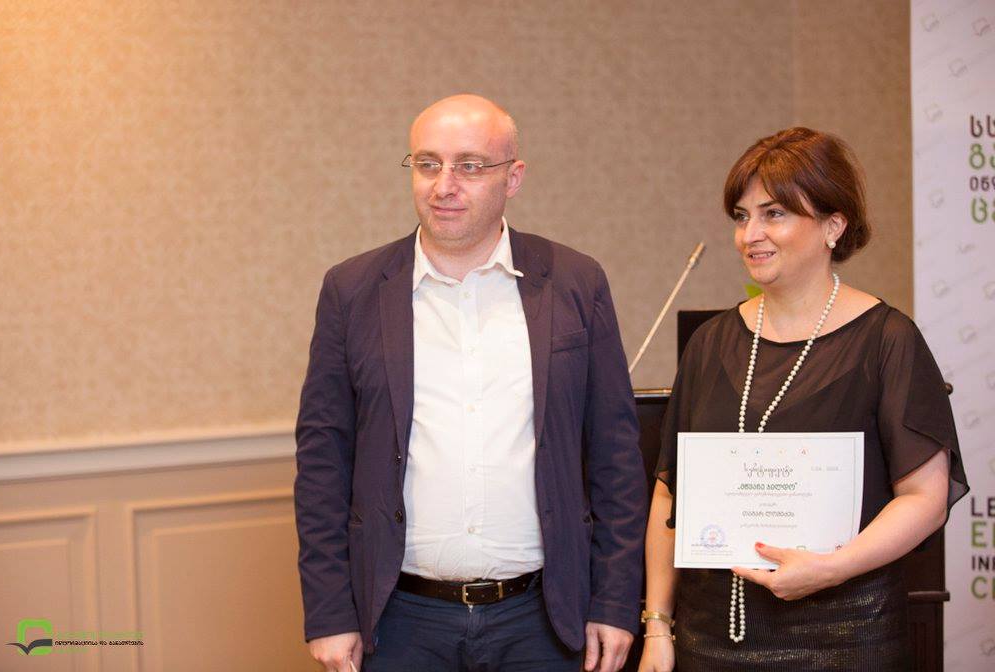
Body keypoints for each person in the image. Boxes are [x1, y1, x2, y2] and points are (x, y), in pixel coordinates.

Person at [295, 94, 647, 672]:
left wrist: (614, 601)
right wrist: (330, 613)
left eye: (470, 165)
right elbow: (322, 462)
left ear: (514, 178)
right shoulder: (352, 290)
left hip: (544, 619)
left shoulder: (575, 282)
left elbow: (615, 455)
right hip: (398, 621)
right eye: (427, 164)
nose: (444, 185)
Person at [637, 127, 969, 672]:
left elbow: (924, 498)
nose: (751, 235)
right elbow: (669, 497)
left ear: (834, 226)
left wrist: (831, 568)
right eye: (741, 217)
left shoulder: (887, 339)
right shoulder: (710, 344)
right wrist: (657, 625)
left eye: (774, 214)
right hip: (711, 635)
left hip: (846, 635)